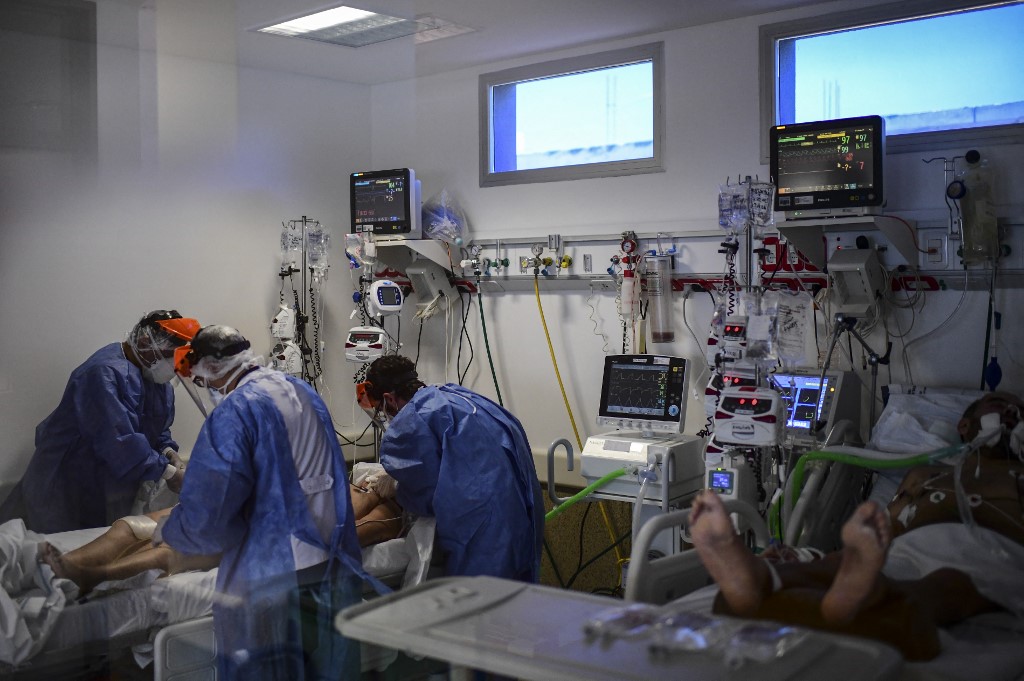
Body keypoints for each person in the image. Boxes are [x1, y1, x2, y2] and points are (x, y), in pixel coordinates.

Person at [689, 390, 1024, 661]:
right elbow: (884, 529)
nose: (1011, 411)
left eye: (1018, 410)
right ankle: (758, 579)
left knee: (949, 582)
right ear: (964, 427)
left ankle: (870, 593)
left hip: (988, 554)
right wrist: (832, 555)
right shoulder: (927, 474)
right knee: (837, 561)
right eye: (999, 404)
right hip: (906, 548)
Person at [156, 325, 372, 680]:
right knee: (320, 664)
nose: (205, 389)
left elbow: (210, 512)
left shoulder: (236, 412)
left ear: (210, 369)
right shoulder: (302, 390)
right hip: (328, 556)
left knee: (269, 667)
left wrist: (171, 531)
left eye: (201, 381)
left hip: (275, 568)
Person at [0, 310, 200, 533]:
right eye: (170, 357)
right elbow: (118, 441)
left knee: (96, 545)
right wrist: (168, 473)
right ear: (145, 342)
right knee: (42, 553)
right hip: (66, 483)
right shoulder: (103, 373)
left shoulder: (154, 377)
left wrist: (168, 451)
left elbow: (156, 427)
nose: (173, 368)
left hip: (108, 485)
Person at [37, 481, 403, 595]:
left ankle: (91, 575)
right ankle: (72, 566)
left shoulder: (388, 513)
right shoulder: (346, 481)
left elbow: (348, 535)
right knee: (132, 527)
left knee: (171, 550)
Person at [362, 355, 544, 582]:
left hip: (483, 528)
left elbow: (426, 496)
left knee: (482, 602)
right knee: (512, 597)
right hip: (521, 514)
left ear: (389, 399)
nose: (385, 416)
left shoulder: (414, 418)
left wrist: (398, 486)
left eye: (381, 408)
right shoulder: (458, 397)